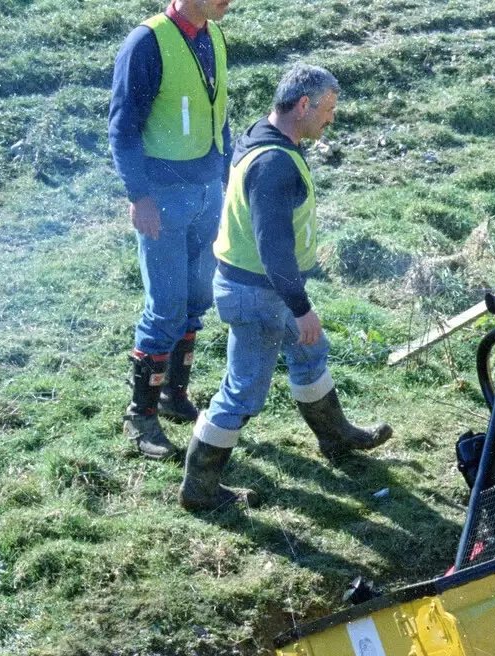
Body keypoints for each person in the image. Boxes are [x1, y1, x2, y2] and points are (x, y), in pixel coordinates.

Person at [180, 63, 392, 511]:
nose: (331, 118)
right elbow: (272, 247)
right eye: (328, 109)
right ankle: (199, 490)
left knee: (309, 352)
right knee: (241, 390)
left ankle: (336, 439)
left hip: (256, 286)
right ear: (302, 105)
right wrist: (301, 307)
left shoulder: (266, 134)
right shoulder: (275, 163)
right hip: (259, 294)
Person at [108, 0, 234, 460]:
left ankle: (172, 396)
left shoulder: (213, 34)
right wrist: (138, 197)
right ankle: (140, 418)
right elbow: (123, 129)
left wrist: (226, 176)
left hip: (207, 193)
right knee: (165, 309)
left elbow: (218, 111)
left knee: (197, 300)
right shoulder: (147, 42)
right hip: (163, 199)